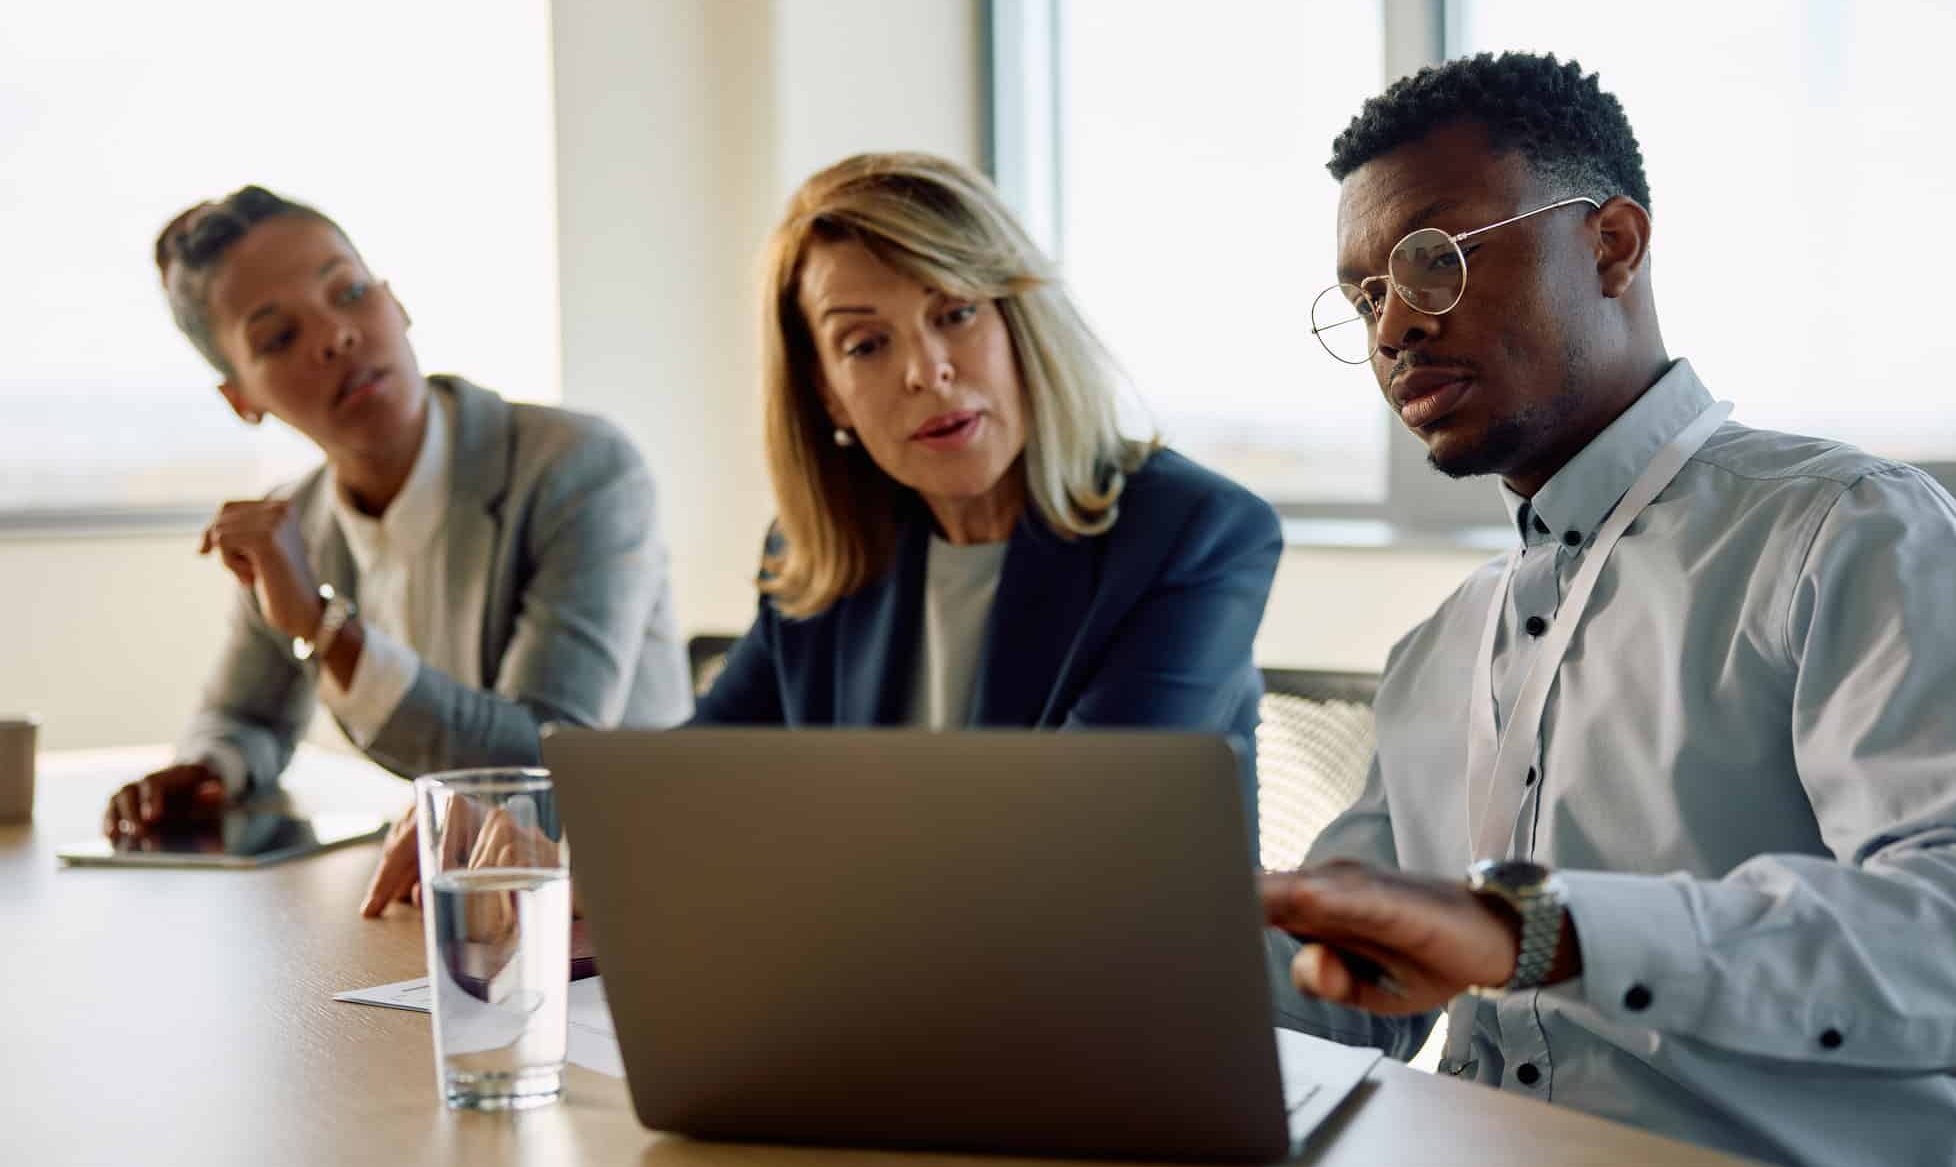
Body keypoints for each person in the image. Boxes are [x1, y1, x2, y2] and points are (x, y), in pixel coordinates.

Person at [1261, 52, 1956, 1167]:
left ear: (1611, 245)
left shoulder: (1848, 531)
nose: (1395, 323)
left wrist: (1543, 931)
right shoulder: (1446, 643)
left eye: (1435, 260)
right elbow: (1329, 973)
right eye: (1364, 300)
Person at [109, 186, 693, 914]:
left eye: (348, 292)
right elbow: (245, 717)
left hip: (628, 902)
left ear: (396, 302)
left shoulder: (579, 468)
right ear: (241, 400)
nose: (334, 336)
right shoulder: (300, 524)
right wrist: (207, 769)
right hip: (463, 905)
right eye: (279, 337)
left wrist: (324, 629)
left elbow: (547, 763)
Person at [693, 152, 1282, 841]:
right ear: (827, 394)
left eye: (956, 312)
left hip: (1116, 949)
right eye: (864, 345)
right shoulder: (817, 553)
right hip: (869, 946)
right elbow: (698, 780)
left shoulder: (1195, 532)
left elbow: (1080, 828)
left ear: (1020, 325)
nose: (926, 371)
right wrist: (581, 840)